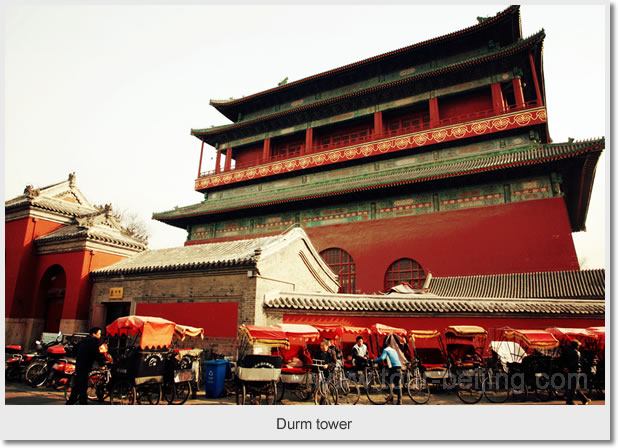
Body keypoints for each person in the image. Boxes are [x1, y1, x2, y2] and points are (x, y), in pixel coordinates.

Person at [66, 327, 104, 405]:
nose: (100, 335)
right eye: (99, 333)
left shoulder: (84, 340)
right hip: (85, 364)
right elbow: (96, 354)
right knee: (82, 384)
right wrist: (102, 363)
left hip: (79, 363)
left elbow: (75, 349)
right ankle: (82, 402)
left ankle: (72, 401)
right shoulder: (93, 342)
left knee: (78, 384)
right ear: (94, 334)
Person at [374, 335, 403, 405]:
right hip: (399, 367)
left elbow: (382, 358)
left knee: (388, 382)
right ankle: (400, 401)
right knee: (398, 384)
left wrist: (374, 361)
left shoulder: (386, 350)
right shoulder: (394, 350)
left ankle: (391, 397)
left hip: (393, 368)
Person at [562, 339, 591, 405]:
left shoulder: (567, 351)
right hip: (575, 370)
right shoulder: (577, 353)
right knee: (573, 387)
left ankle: (584, 400)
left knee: (575, 386)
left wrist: (566, 367)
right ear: (576, 346)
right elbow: (575, 362)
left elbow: (564, 359)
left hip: (569, 370)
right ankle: (569, 401)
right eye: (578, 345)